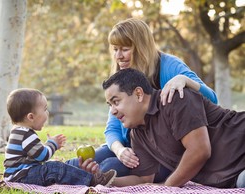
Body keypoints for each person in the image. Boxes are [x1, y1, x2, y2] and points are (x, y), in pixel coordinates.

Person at [66, 18, 218, 182]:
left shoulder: (168, 66)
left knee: (110, 167)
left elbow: (212, 100)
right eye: (115, 49)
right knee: (81, 162)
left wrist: (185, 80)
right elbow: (112, 129)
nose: (118, 56)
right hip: (131, 146)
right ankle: (48, 172)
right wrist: (120, 151)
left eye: (125, 49)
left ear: (141, 47)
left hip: (163, 153)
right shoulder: (121, 76)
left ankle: (88, 178)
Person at [102, 68, 245, 188]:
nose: (113, 111)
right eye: (110, 105)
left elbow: (199, 150)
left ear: (138, 94)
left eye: (116, 101)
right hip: (234, 178)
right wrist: (103, 181)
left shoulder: (176, 99)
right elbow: (144, 180)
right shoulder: (137, 133)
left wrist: (167, 187)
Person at [3, 88, 117, 187]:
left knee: (53, 167)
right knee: (54, 167)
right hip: (22, 177)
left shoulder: (19, 132)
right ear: (31, 117)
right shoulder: (26, 134)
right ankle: (92, 180)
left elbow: (34, 156)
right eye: (44, 109)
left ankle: (83, 177)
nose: (47, 113)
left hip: (19, 175)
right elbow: (43, 155)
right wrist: (53, 144)